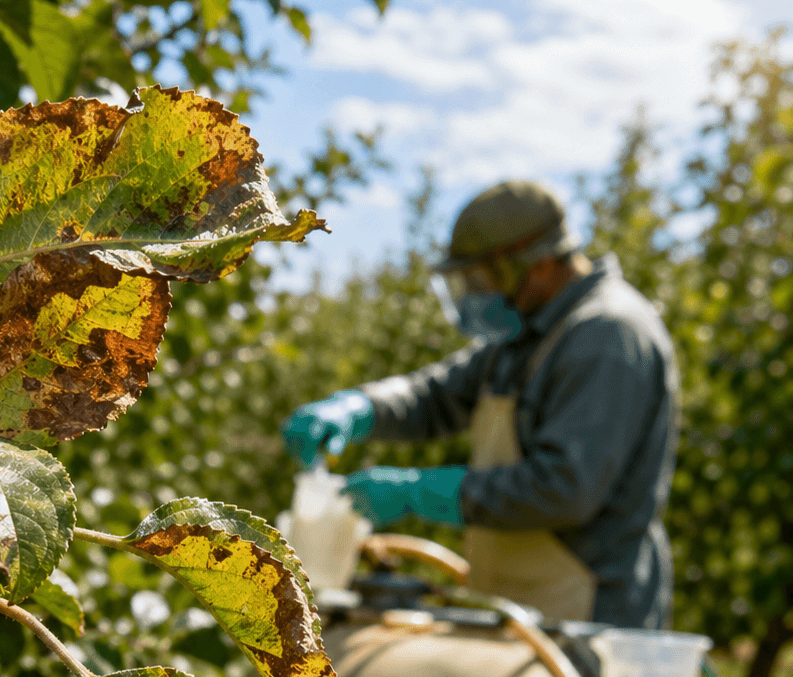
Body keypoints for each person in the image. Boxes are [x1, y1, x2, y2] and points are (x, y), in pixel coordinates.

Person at [281, 181, 680, 627]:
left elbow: (564, 487)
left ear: (541, 264)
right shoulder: (524, 334)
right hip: (520, 600)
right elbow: (434, 396)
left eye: (481, 279)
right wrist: (360, 408)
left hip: (589, 608)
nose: (473, 294)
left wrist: (419, 492)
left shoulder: (607, 335)